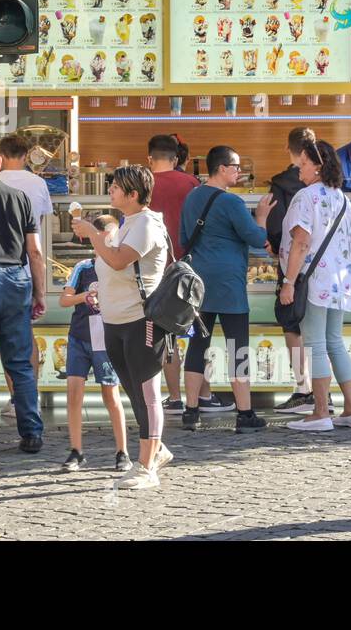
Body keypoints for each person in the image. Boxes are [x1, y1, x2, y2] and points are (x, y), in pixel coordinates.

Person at [72, 166, 172, 489]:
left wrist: (93, 234)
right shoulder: (129, 223)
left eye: (116, 187)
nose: (111, 190)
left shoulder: (145, 224)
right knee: (133, 390)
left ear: (133, 195)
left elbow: (118, 260)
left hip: (140, 320)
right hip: (115, 321)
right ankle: (156, 448)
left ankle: (146, 465)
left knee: (147, 392)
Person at [178, 146, 276, 433]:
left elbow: (184, 238)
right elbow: (257, 238)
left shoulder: (191, 198)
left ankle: (191, 411)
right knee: (238, 348)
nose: (239, 172)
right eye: (235, 167)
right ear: (222, 168)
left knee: (197, 344)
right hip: (229, 284)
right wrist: (261, 217)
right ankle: (245, 413)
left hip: (199, 283)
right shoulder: (231, 203)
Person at [277, 140, 351, 432]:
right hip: (340, 282)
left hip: (314, 280)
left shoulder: (306, 196)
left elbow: (301, 243)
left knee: (314, 344)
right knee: (334, 342)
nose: (298, 169)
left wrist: (288, 282)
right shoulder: (343, 199)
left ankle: (321, 411)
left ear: (318, 165)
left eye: (302, 164)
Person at [0, 140, 47, 452]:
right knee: (19, 363)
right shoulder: (20, 198)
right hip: (17, 280)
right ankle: (31, 432)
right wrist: (40, 292)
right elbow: (35, 250)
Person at [145, 133, 220, 414]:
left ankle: (175, 397)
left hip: (154, 269)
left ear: (149, 157)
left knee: (166, 334)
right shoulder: (190, 183)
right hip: (188, 268)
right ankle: (204, 394)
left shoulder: (143, 182)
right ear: (176, 159)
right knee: (194, 332)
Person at [58, 214, 131, 473]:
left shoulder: (119, 266)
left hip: (105, 338)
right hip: (79, 336)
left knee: (111, 394)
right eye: (102, 238)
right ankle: (76, 450)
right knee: (73, 394)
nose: (107, 243)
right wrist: (84, 297)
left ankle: (122, 451)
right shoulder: (84, 267)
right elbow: (64, 300)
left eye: (111, 237)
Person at [0, 133, 53, 417]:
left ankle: (16, 398)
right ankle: (31, 394)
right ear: (26, 155)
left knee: (6, 339)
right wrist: (41, 289)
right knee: (25, 336)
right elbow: (38, 233)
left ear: (1, 156)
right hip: (27, 271)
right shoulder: (39, 183)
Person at [268, 126, 317, 414]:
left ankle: (303, 388)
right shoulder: (328, 184)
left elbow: (275, 228)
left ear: (289, 150)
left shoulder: (281, 185)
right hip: (323, 269)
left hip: (293, 267)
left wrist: (274, 247)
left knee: (292, 326)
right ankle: (322, 396)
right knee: (321, 334)